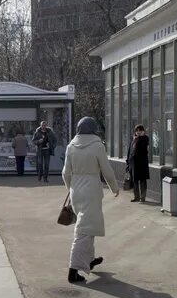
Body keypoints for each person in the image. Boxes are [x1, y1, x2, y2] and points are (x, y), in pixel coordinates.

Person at [62, 117, 119, 284]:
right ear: (93, 129)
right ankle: (73, 271)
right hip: (92, 189)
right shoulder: (97, 145)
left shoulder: (71, 146)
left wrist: (70, 189)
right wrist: (114, 188)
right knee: (83, 231)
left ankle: (89, 261)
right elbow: (107, 170)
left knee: (88, 226)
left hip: (76, 189)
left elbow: (65, 172)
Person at [126, 125, 150, 203]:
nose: (138, 132)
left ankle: (143, 198)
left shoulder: (145, 139)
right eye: (137, 130)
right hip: (133, 163)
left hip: (142, 163)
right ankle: (136, 196)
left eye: (140, 130)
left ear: (143, 131)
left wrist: (139, 138)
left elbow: (143, 148)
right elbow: (130, 150)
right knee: (135, 180)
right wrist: (128, 161)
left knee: (142, 180)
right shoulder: (133, 139)